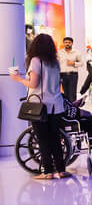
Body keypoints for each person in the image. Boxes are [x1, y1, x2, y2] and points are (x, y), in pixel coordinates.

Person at [11, 34, 67, 179]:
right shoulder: (55, 62)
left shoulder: (36, 61)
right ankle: (61, 170)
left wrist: (18, 79)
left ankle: (47, 172)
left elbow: (33, 84)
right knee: (55, 138)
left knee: (43, 139)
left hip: (40, 107)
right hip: (57, 106)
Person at [57, 36, 82, 101]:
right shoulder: (59, 53)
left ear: (72, 43)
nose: (67, 44)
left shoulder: (76, 52)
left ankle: (74, 108)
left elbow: (81, 63)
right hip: (62, 75)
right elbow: (56, 63)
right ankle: (68, 108)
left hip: (73, 75)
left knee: (72, 93)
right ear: (63, 43)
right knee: (65, 93)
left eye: (69, 42)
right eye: (66, 42)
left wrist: (73, 63)